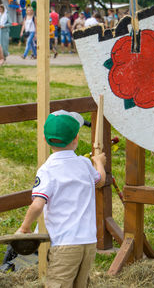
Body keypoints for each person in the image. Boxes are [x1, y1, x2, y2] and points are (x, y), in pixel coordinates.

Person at [16, 110, 106, 288]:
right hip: (88, 242)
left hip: (65, 243)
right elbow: (100, 181)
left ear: (45, 139)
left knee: (58, 284)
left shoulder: (47, 170)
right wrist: (99, 163)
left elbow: (37, 205)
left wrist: (24, 227)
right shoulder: (84, 164)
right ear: (76, 139)